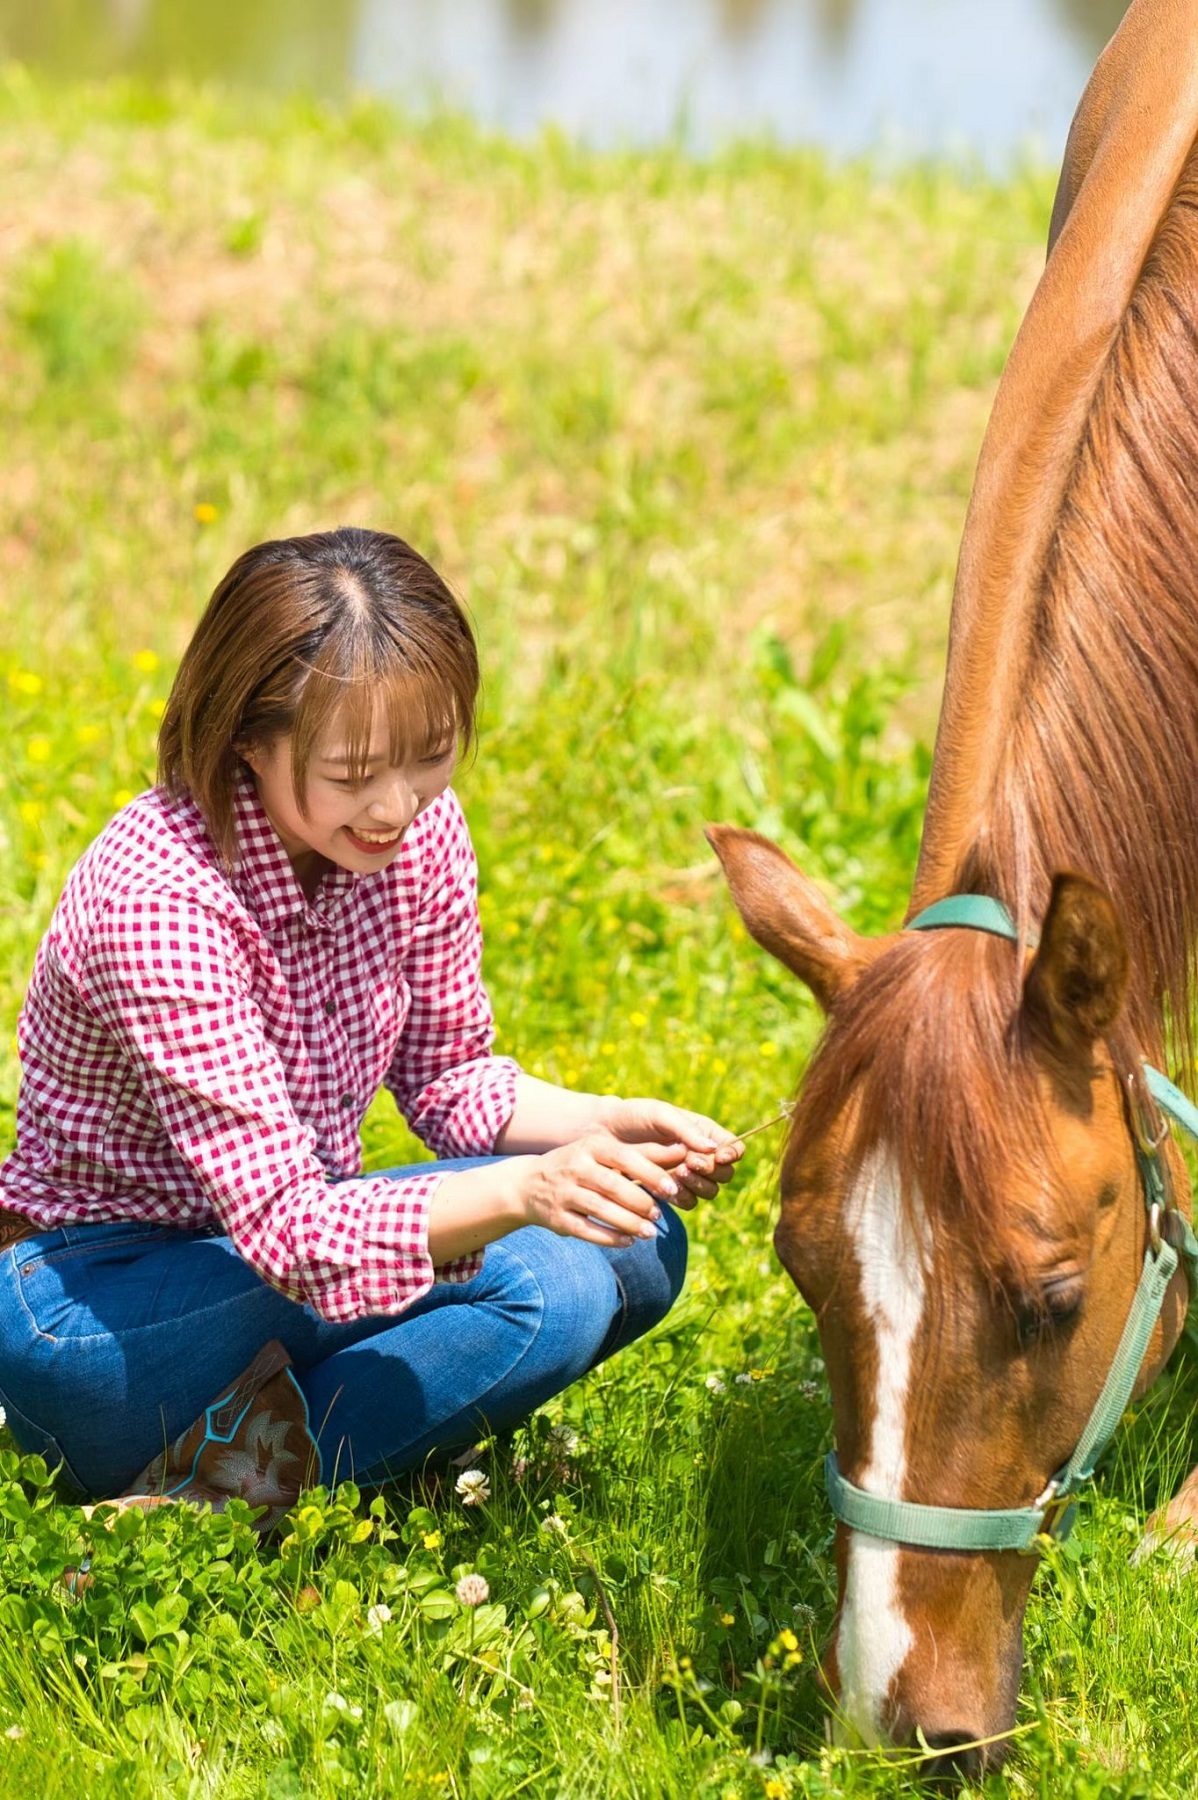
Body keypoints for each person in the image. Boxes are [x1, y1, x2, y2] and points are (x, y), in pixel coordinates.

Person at [0, 526, 742, 1522]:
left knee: (635, 1238)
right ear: (244, 744)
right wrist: (523, 1189)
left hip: (282, 1260)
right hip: (101, 1315)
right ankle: (221, 1486)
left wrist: (607, 1125)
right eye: (352, 775)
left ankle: (223, 1480)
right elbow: (291, 1232)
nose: (397, 807)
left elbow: (449, 1079)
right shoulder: (163, 900)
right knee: (552, 1289)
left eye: (429, 758)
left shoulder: (418, 834)